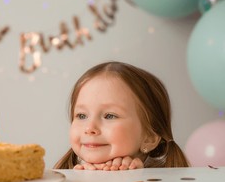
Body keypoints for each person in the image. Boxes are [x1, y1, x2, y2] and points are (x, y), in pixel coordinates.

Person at [54, 61, 190, 170]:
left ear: (149, 138)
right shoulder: (64, 177)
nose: (89, 128)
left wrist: (134, 179)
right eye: (82, 116)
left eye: (109, 116)